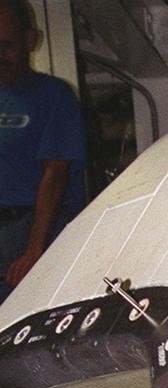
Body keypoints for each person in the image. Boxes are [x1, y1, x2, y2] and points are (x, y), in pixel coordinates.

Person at [0, 0, 85, 303]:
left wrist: (34, 252)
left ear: (30, 40)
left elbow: (56, 175)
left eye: (6, 45)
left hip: (33, 229)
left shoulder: (53, 96)